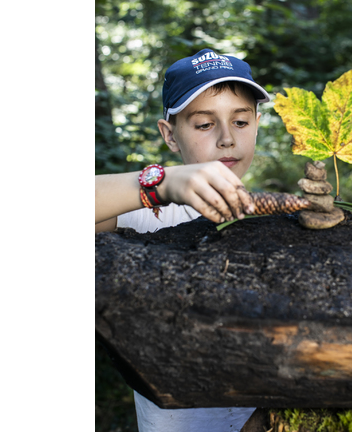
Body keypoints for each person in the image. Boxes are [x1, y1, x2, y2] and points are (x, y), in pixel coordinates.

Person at [95, 48, 270, 432]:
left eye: (240, 121)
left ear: (257, 123)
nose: (227, 139)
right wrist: (158, 185)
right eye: (205, 125)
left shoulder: (277, 223)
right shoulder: (144, 216)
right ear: (169, 135)